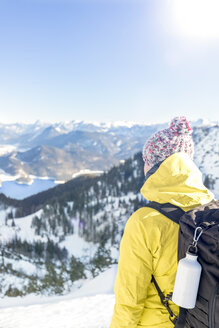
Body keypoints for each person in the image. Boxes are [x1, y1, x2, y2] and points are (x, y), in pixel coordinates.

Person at [110, 117, 214, 328]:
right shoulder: (213, 210)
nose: (144, 166)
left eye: (146, 161)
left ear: (158, 166)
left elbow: (129, 303)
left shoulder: (144, 222)